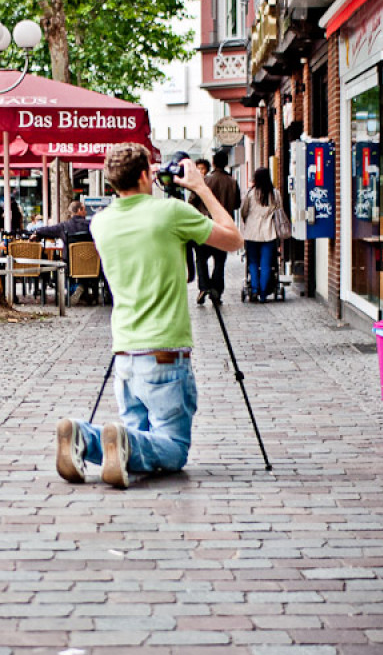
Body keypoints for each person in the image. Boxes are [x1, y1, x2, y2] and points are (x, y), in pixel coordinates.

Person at [54, 142, 243, 489]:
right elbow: (233, 239)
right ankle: (115, 441)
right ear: (145, 174)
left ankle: (84, 435)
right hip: (166, 354)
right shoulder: (169, 212)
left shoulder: (102, 223)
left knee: (139, 442)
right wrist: (200, 187)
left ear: (111, 181)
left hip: (124, 355)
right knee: (172, 450)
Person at [192, 150, 241, 305]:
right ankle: (216, 291)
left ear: (213, 163)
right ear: (226, 163)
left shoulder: (206, 181)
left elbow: (192, 200)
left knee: (201, 259)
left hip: (205, 226)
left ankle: (203, 287)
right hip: (224, 228)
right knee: (220, 261)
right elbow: (237, 204)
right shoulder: (232, 182)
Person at [241, 167, 281, 303]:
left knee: (252, 262)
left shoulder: (250, 193)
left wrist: (247, 220)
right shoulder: (275, 194)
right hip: (269, 233)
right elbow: (279, 209)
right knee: (266, 264)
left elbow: (244, 210)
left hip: (252, 233)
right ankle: (263, 294)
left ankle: (254, 289)